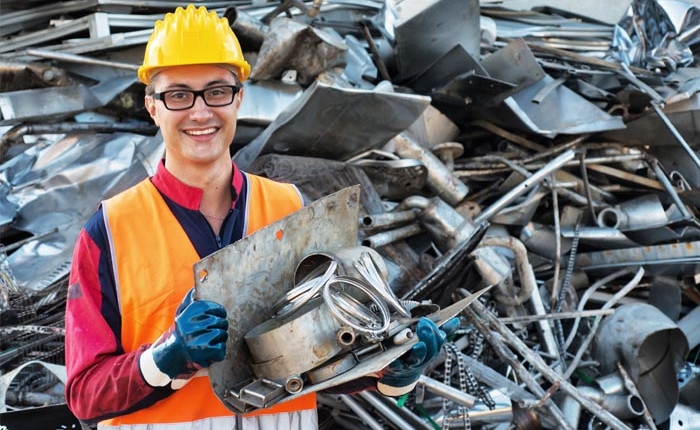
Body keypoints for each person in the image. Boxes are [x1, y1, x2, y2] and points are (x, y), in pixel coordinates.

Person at [64, 4, 455, 430]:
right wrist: (165, 358)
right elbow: (84, 395)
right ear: (152, 107)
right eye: (178, 94)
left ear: (239, 99)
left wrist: (393, 369)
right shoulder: (112, 229)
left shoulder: (289, 209)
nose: (200, 112)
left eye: (217, 91)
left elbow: (322, 357)